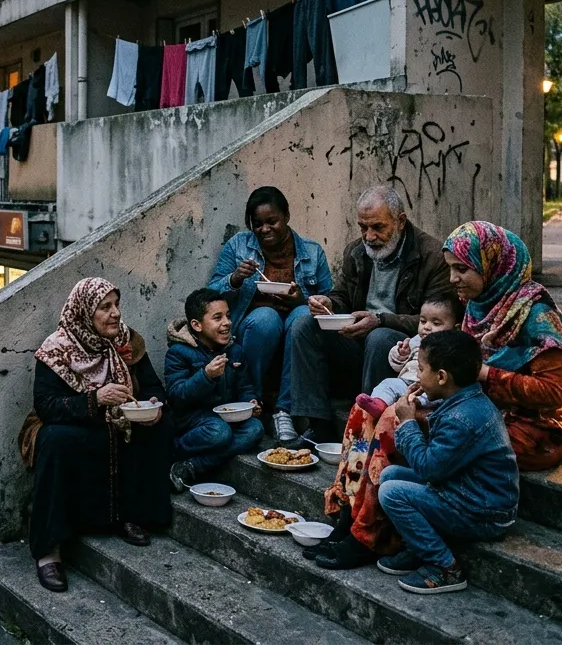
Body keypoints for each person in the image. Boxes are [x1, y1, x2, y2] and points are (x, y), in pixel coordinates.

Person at [315, 221, 562, 570]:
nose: (452, 279)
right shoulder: (479, 305)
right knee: (366, 413)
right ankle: (349, 512)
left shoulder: (535, 314)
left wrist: (483, 374)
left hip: (526, 427)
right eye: (451, 268)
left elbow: (554, 393)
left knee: (394, 424)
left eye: (461, 269)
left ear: (492, 265)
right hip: (466, 406)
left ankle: (370, 535)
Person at [25, 278, 172, 593]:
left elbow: (154, 386)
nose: (116, 314)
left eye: (117, 305)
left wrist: (155, 405)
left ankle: (131, 515)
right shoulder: (57, 349)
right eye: (105, 307)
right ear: (84, 312)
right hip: (77, 423)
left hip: (118, 423)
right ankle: (49, 551)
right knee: (55, 440)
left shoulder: (125, 340)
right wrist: (95, 399)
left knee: (153, 426)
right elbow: (46, 406)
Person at [284, 186, 456, 442]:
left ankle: (368, 426)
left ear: (400, 221)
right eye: (363, 228)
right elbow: (342, 295)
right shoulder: (356, 251)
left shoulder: (431, 256)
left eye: (378, 227)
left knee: (380, 337)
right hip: (356, 347)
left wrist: (380, 320)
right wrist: (327, 303)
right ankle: (317, 427)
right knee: (305, 325)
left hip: (402, 353)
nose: (369, 236)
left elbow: (439, 321)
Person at [376, 330, 519, 594]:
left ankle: (444, 567)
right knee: (390, 475)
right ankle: (417, 546)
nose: (417, 376)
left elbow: (429, 467)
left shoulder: (462, 418)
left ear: (442, 377)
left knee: (391, 492)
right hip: (464, 490)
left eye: (421, 369)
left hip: (483, 511)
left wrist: (407, 422)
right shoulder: (463, 400)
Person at [208, 186, 332, 444]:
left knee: (301, 316)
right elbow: (210, 293)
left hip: (298, 328)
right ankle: (252, 402)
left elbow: (332, 302)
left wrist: (303, 299)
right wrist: (235, 278)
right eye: (258, 224)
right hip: (254, 327)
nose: (264, 230)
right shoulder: (239, 246)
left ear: (286, 215)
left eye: (271, 221)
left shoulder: (312, 251)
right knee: (266, 318)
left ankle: (283, 410)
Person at [164, 288, 264, 491]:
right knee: (219, 432)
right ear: (196, 325)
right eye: (217, 318)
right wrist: (206, 376)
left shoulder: (234, 350)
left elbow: (245, 386)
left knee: (255, 428)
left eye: (228, 316)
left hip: (225, 418)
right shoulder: (178, 353)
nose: (227, 323)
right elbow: (177, 396)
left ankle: (193, 466)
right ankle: (174, 450)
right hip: (193, 422)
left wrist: (251, 401)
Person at [355, 294, 463, 419]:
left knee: (434, 396)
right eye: (423, 321)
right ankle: (379, 404)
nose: (426, 327)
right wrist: (401, 354)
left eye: (436, 323)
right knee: (388, 383)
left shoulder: (454, 348)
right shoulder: (416, 340)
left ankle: (415, 402)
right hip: (406, 383)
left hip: (432, 389)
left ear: (456, 328)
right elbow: (397, 366)